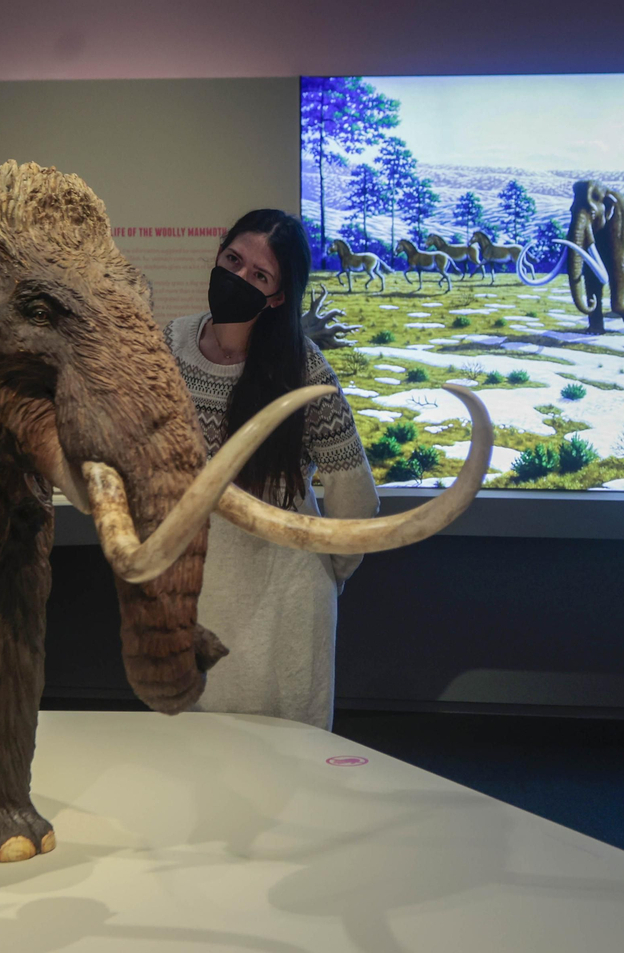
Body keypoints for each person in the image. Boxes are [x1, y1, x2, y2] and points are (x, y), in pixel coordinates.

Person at [163, 209, 378, 730]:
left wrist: (327, 576)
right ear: (218, 252)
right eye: (232, 260)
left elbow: (356, 500)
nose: (237, 279)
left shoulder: (302, 369)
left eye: (259, 276)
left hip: (284, 604)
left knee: (286, 774)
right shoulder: (168, 344)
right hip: (192, 596)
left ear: (278, 295)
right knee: (196, 767)